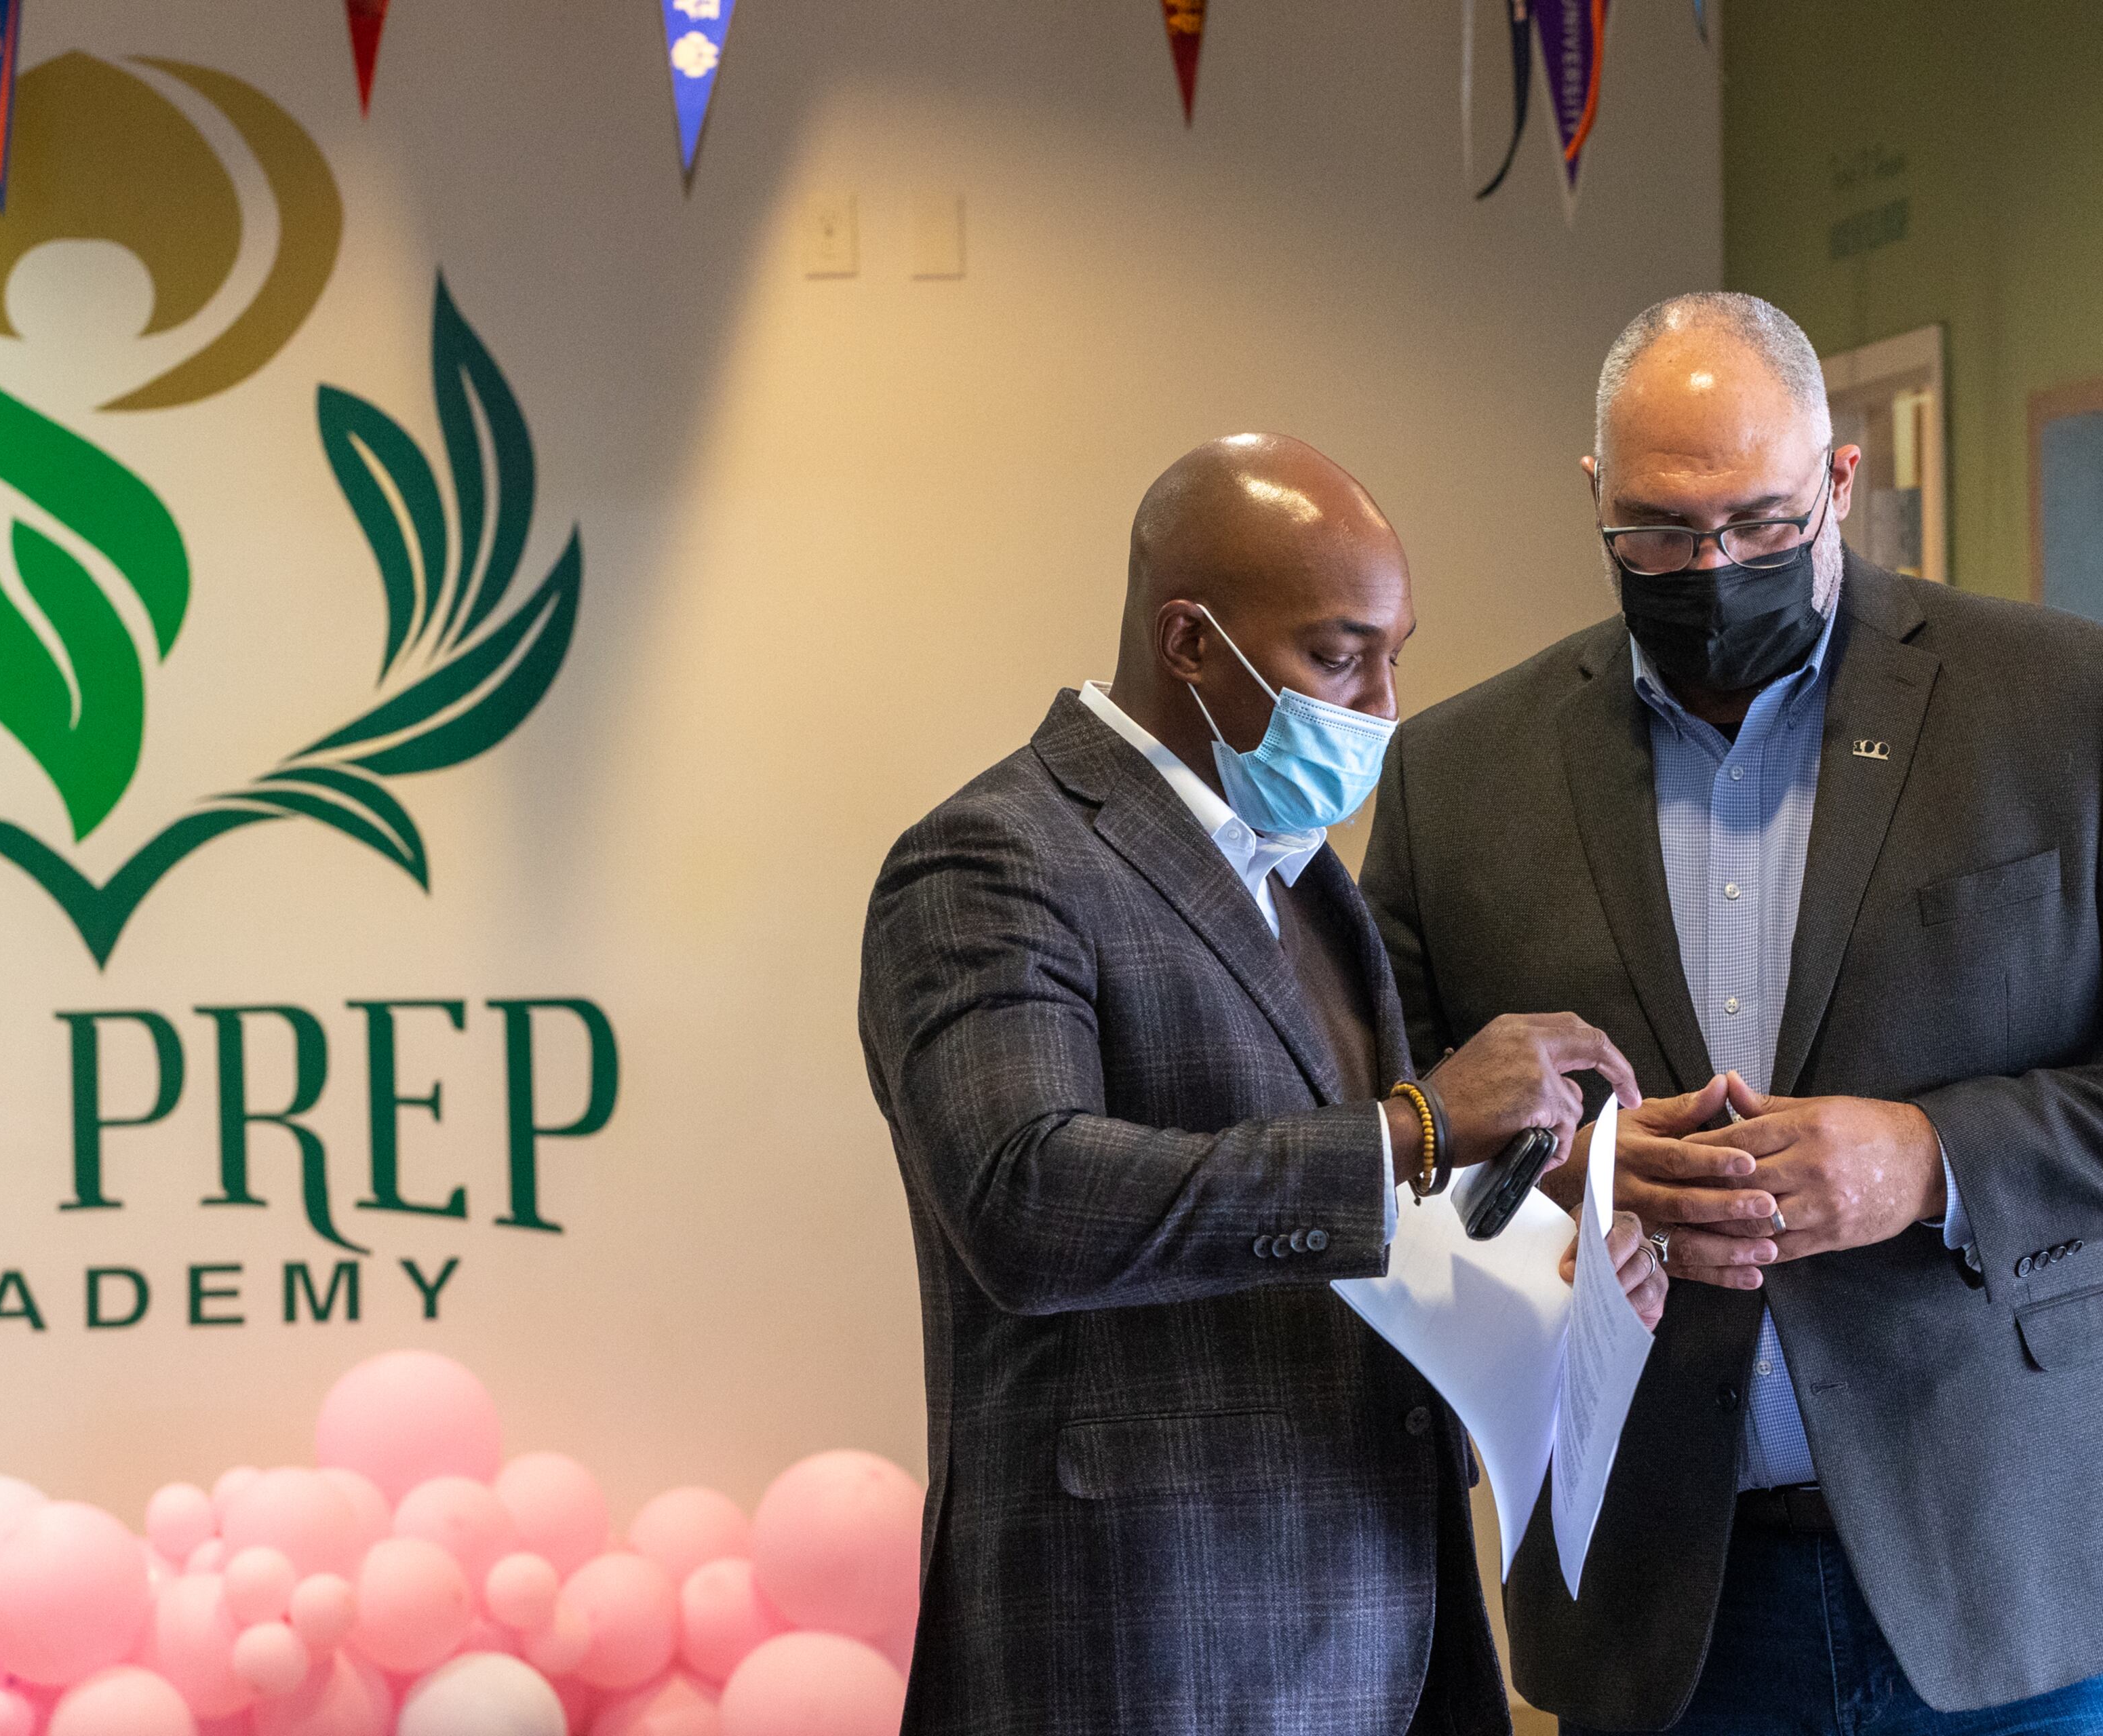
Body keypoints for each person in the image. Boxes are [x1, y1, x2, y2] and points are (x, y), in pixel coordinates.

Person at [1361, 292, 2103, 1734]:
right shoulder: (1459, 778)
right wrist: (1567, 1179)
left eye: (1762, 523)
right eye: (1657, 533)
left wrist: (1933, 1157)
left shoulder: (2063, 705)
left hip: (2007, 1577)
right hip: (1655, 1601)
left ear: (1839, 477)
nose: (1713, 568)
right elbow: (1394, 1147)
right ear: (1594, 499)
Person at [859, 433, 1666, 1736]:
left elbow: (1360, 1240)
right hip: (1147, 1644)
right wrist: (1420, 1123)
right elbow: (1025, 1200)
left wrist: (1553, 1276)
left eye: (1395, 654)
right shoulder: (990, 860)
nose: (1384, 709)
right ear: (1189, 641)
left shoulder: (1311, 883)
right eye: (1339, 658)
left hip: (1388, 1622)